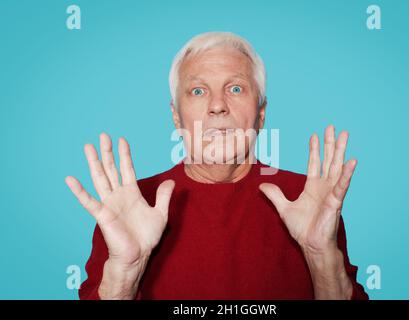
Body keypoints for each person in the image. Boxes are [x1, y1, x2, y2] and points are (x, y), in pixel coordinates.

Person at [65, 32, 368, 300]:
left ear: (261, 113)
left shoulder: (307, 200)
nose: (217, 105)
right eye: (198, 91)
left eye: (235, 89)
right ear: (175, 115)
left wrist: (321, 257)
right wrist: (125, 272)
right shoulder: (132, 204)